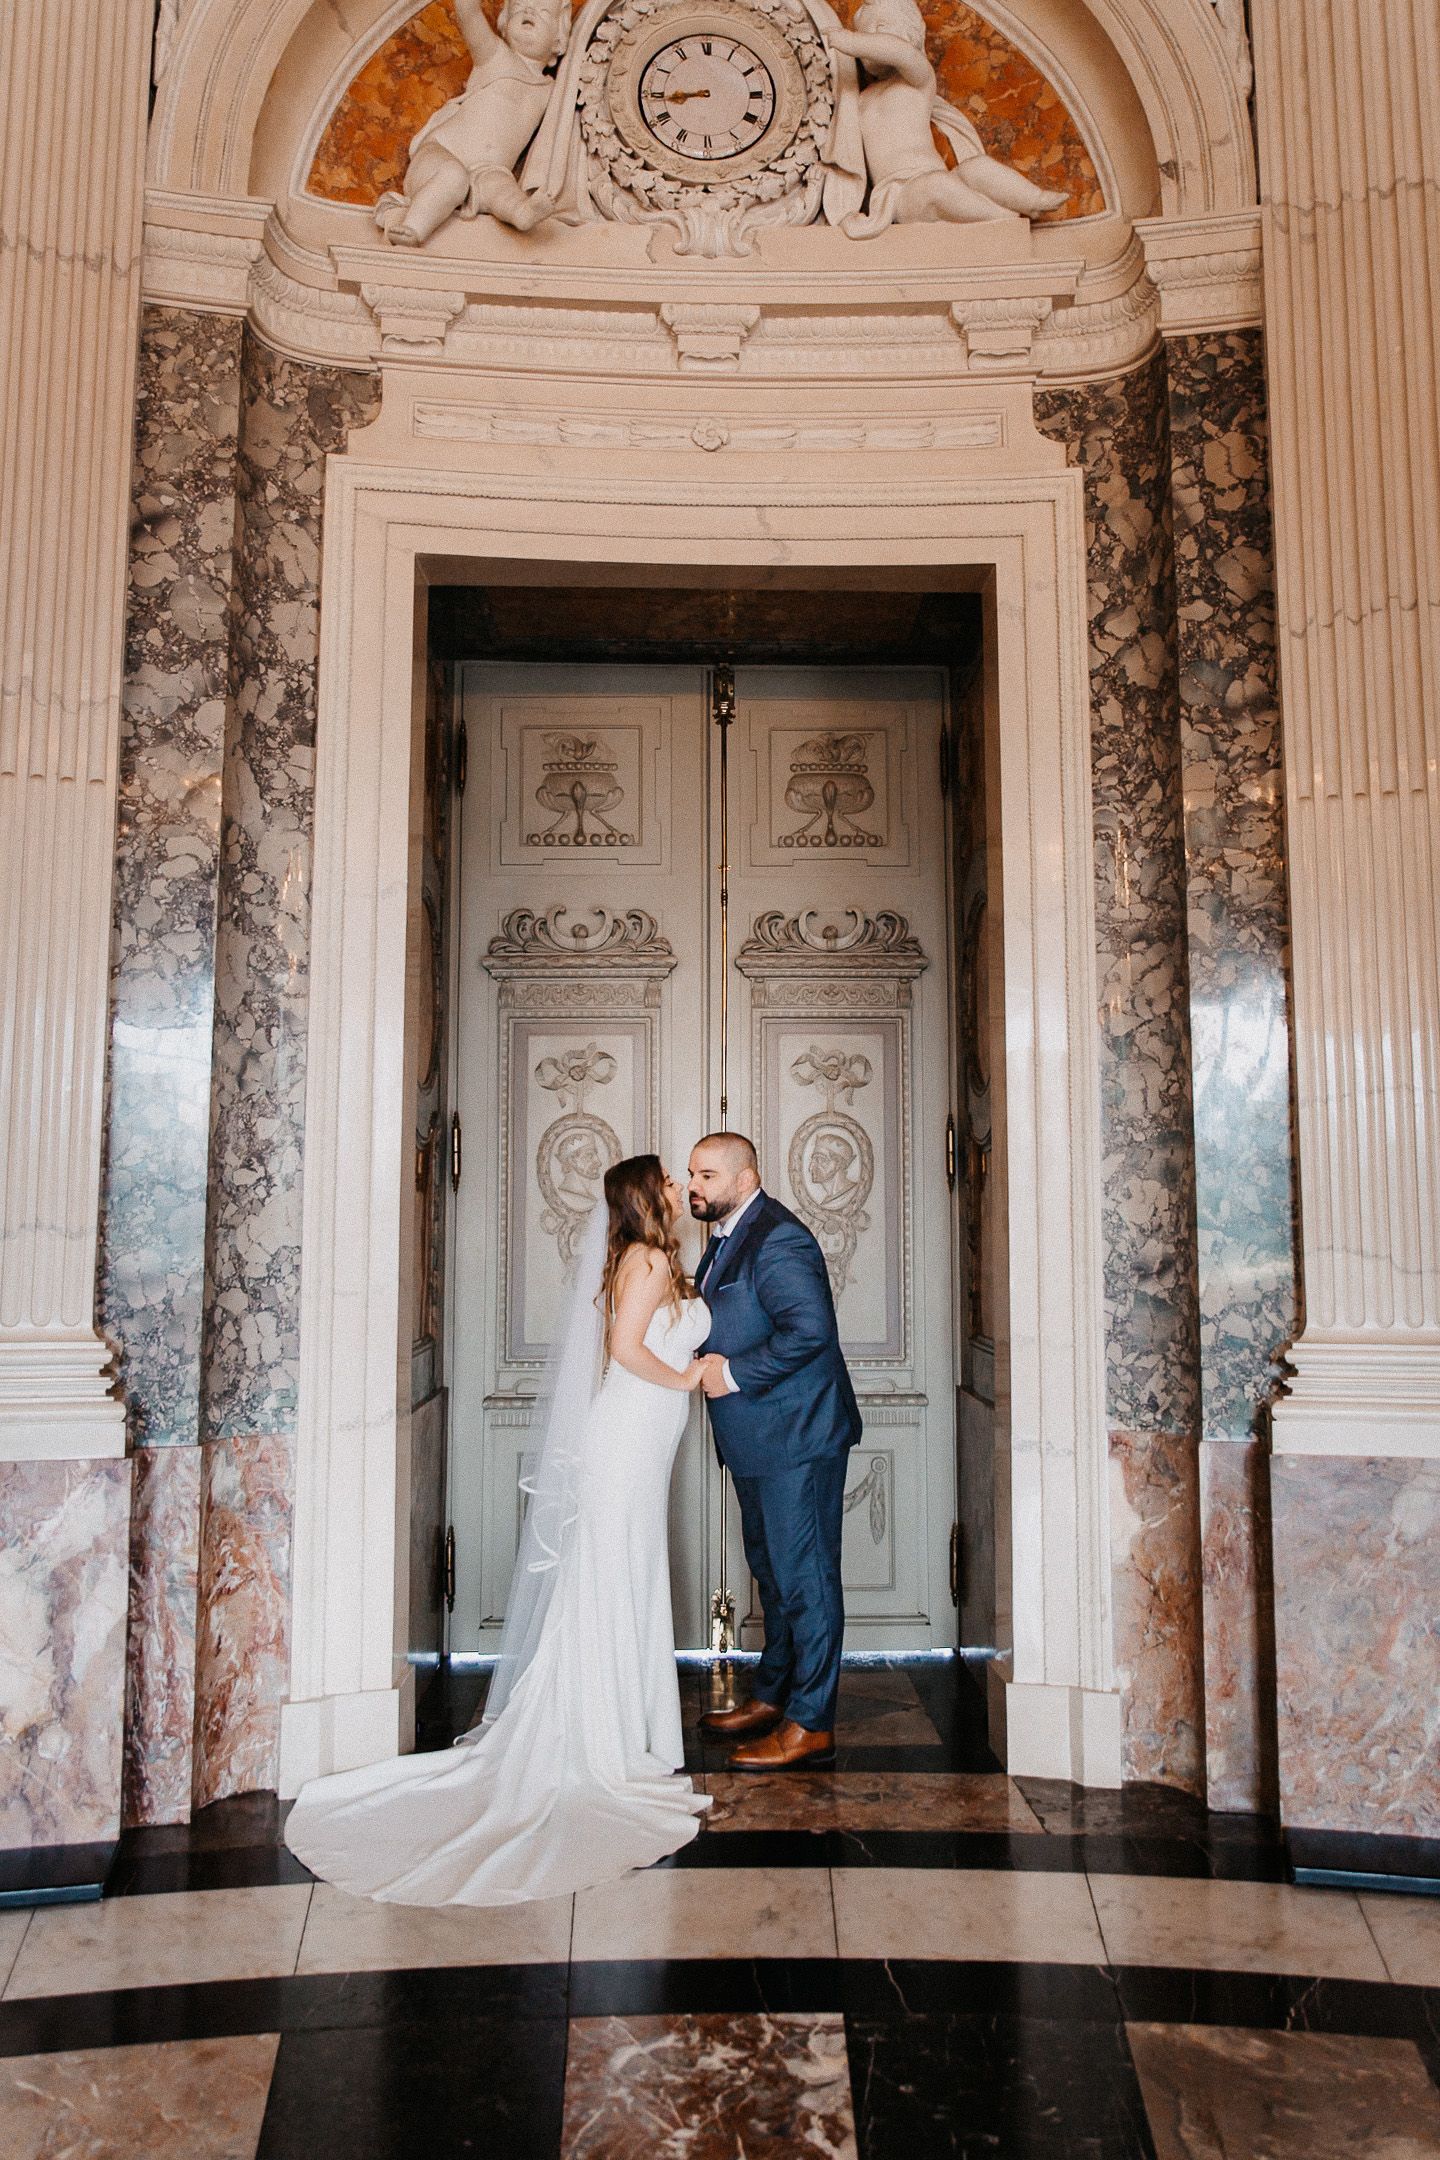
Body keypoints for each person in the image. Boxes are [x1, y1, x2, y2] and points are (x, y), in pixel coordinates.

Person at [283, 1155, 711, 1906]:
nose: (680, 1188)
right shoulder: (646, 1259)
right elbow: (624, 1350)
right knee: (614, 1570)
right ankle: (606, 1738)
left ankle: (625, 1730)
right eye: (670, 1182)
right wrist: (689, 1376)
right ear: (648, 1196)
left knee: (623, 1569)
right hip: (629, 1433)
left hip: (643, 1437)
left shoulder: (648, 1257)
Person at [690, 1132, 862, 1770]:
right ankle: (774, 1696)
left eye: (707, 1175)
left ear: (745, 1178)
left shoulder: (779, 1238)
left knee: (805, 1579)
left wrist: (731, 1374)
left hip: (797, 1439)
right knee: (772, 1573)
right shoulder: (728, 1236)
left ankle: (811, 1722)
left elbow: (811, 1332)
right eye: (691, 1174)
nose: (693, 1187)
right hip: (756, 1441)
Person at [829, 0, 1068, 235]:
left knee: (976, 167)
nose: (870, 38)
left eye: (880, 27)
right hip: (899, 193)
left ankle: (1033, 199)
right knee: (936, 187)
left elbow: (901, 52)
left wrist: (850, 41)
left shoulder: (918, 80)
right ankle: (1003, 219)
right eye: (864, 31)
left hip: (937, 175)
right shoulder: (860, 99)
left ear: (909, 31)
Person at [375, 0, 566, 246]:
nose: (529, 11)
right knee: (453, 176)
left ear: (559, 39)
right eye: (519, 6)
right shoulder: (495, 55)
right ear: (505, 23)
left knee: (502, 188)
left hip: (490, 169)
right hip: (441, 153)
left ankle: (522, 213)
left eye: (543, 11)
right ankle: (412, 228)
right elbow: (469, 14)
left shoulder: (551, 90)